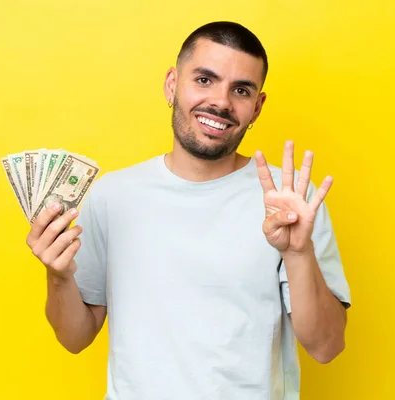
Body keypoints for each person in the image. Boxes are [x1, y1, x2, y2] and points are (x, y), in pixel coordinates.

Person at [26, 21, 351, 400]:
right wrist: (58, 277)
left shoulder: (290, 199)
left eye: (241, 90)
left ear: (257, 107)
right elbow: (75, 337)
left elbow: (327, 347)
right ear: (171, 84)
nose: (221, 102)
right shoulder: (112, 196)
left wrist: (298, 253)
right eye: (204, 80)